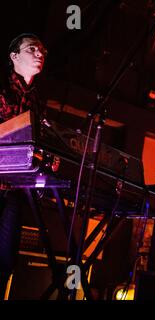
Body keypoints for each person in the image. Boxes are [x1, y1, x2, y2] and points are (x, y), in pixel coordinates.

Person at [0, 33, 47, 298]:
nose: (40, 53)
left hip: (15, 189)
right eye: (32, 49)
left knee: (6, 261)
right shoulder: (2, 89)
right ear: (14, 56)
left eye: (42, 51)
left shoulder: (36, 100)